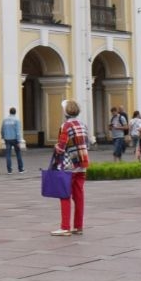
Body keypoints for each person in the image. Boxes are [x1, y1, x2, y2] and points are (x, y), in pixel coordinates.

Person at [50, 100, 90, 236]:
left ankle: (65, 227)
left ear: (66, 112)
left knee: (64, 194)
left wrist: (56, 147)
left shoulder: (66, 126)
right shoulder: (83, 125)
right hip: (82, 164)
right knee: (79, 196)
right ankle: (78, 226)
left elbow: (61, 147)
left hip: (69, 165)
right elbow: (87, 143)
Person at [0, 107, 24, 174]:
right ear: (15, 112)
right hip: (15, 139)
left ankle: (9, 170)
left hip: (7, 139)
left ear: (9, 112)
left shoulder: (5, 120)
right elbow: (18, 132)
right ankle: (20, 169)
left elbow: (2, 130)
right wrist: (19, 141)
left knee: (8, 155)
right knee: (18, 154)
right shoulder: (16, 120)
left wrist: (3, 137)